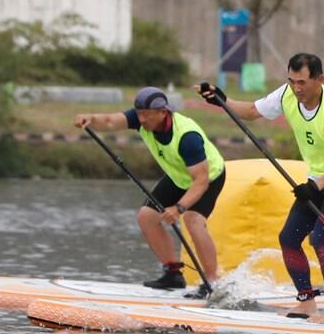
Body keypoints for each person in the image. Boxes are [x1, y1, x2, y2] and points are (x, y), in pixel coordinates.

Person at [196, 54, 324, 325]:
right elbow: (253, 112)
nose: (296, 88)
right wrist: (221, 99)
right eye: (291, 81)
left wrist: (315, 186)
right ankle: (307, 303)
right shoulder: (286, 94)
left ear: (319, 80)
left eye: (302, 82)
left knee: (322, 240)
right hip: (318, 178)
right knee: (289, 238)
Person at [73, 87, 226, 297]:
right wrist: (90, 118)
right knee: (147, 217)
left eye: (146, 115)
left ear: (163, 112)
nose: (141, 119)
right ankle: (173, 273)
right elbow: (109, 121)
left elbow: (200, 182)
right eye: (139, 114)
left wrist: (178, 208)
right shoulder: (140, 117)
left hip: (209, 177)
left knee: (191, 220)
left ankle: (212, 283)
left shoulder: (187, 137)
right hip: (178, 177)